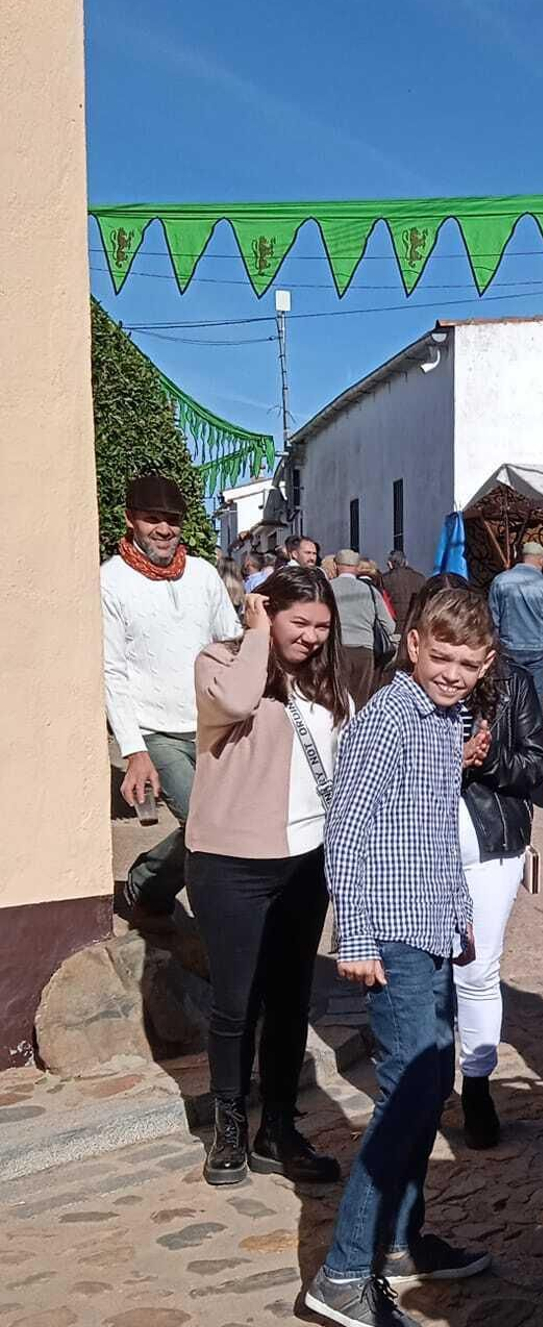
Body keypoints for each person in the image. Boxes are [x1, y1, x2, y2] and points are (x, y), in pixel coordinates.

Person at [303, 582, 498, 1327]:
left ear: (484, 664)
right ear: (413, 644)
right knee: (405, 1094)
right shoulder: (389, 717)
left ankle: (402, 1238)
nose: (452, 672)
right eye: (441, 655)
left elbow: (434, 828)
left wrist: (460, 914)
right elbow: (346, 831)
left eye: (467, 663)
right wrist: (352, 936)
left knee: (430, 1084)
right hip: (389, 935)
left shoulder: (446, 720)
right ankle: (344, 1272)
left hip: (431, 930)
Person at [186, 566, 349, 1189]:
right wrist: (255, 634)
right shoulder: (221, 662)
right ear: (267, 610)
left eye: (322, 626)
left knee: (288, 1001)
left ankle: (277, 1128)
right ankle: (228, 1125)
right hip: (231, 862)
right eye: (298, 622)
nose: (311, 636)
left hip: (306, 862)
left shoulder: (327, 683)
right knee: (235, 1002)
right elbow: (234, 704)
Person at [420, 573, 543, 1151]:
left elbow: (534, 767)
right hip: (424, 848)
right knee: (427, 971)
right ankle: (426, 1081)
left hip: (493, 847)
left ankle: (476, 1084)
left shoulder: (513, 684)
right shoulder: (407, 688)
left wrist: (486, 758)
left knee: (477, 970)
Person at [102, 472, 242, 924]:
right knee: (206, 822)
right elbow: (111, 670)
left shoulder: (202, 574)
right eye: (152, 519)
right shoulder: (111, 581)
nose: (164, 529)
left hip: (210, 725)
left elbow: (230, 642)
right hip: (155, 731)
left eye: (173, 520)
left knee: (226, 820)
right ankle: (188, 906)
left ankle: (147, 881)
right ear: (130, 520)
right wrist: (134, 750)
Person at [488, 536, 543, 712]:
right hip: (538, 650)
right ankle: (534, 729)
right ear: (541, 560)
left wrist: (495, 647)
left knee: (506, 697)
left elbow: (493, 620)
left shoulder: (500, 581)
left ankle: (506, 728)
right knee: (534, 700)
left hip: (508, 648)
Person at [326, 548, 392, 709]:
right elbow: (389, 625)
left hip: (336, 649)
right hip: (364, 651)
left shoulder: (326, 588)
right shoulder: (370, 591)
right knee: (360, 701)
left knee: (335, 698)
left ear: (336, 566)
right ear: (356, 568)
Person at [381, 548, 425, 625]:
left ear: (390, 564)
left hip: (395, 623)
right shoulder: (420, 578)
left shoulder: (384, 579)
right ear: (406, 562)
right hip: (414, 622)